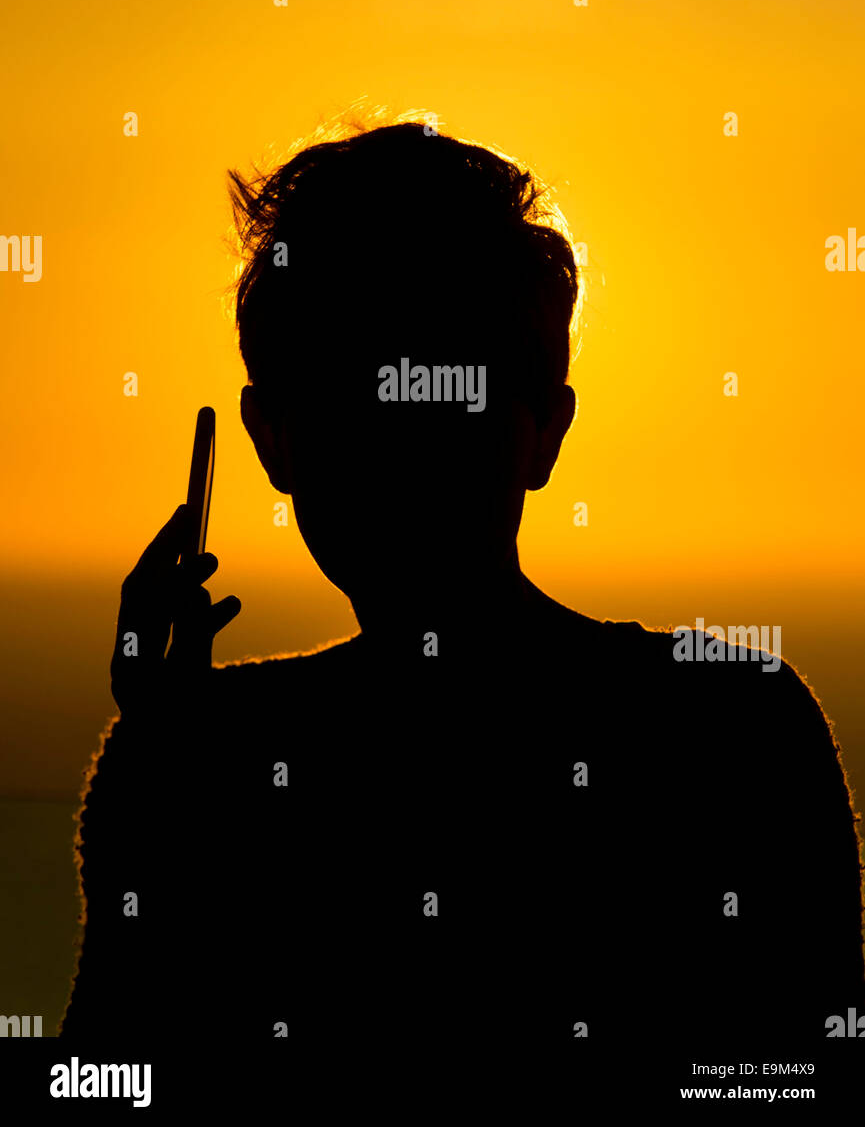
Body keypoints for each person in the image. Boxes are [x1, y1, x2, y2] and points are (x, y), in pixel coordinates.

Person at [59, 120, 864, 1102]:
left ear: (267, 440)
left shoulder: (205, 764)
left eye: (442, 393)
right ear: (546, 436)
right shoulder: (731, 726)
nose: (401, 442)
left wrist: (172, 773)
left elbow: (102, 1085)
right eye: (359, 393)